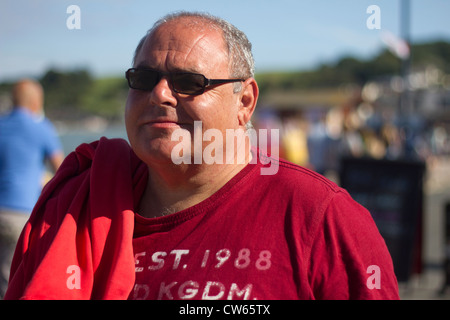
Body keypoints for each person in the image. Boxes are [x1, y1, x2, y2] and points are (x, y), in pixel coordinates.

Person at [5, 12, 399, 300]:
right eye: (143, 79)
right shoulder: (79, 204)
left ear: (244, 101)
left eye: (188, 82)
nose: (159, 94)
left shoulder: (321, 217)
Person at [0, 79, 63, 298]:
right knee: (15, 279)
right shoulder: (41, 128)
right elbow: (62, 171)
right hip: (21, 212)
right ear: (36, 102)